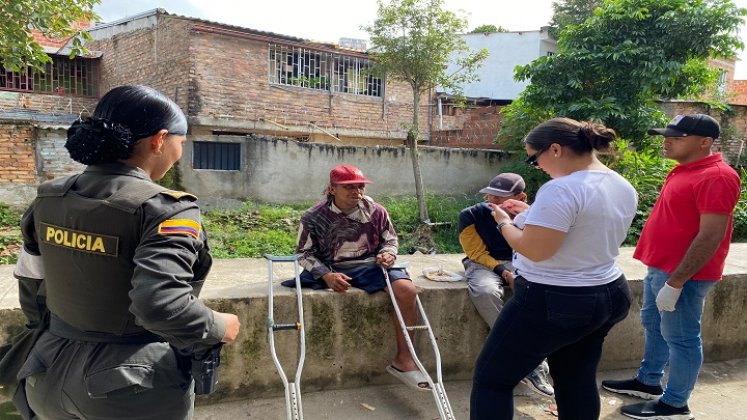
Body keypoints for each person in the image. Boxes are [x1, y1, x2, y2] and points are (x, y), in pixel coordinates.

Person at [11, 85, 241, 420]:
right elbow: (161, 304)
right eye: (181, 141)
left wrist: (57, 337)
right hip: (127, 387)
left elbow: (30, 282)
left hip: (46, 373)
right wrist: (219, 325)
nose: (180, 150)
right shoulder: (165, 210)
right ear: (159, 140)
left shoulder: (50, 197)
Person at [470, 117, 638, 420]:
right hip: (608, 292)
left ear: (556, 149)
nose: (539, 166)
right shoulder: (619, 183)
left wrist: (505, 223)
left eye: (535, 159)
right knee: (576, 378)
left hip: (555, 298)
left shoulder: (560, 189)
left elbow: (535, 249)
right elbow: (583, 228)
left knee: (492, 380)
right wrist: (532, 213)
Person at [602, 114, 741, 420]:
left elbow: (711, 235)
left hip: (684, 277)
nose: (667, 141)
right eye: (667, 135)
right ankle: (648, 382)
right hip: (662, 268)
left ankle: (676, 404)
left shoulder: (718, 176)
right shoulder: (686, 170)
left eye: (677, 137)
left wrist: (677, 282)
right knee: (654, 325)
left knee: (682, 338)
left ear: (705, 142)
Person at [294, 164, 429, 391]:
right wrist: (326, 275)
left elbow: (390, 239)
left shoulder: (376, 211)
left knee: (407, 290)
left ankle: (404, 359)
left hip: (371, 265)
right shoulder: (313, 217)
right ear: (331, 189)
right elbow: (302, 253)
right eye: (348, 187)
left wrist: (388, 253)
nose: (356, 192)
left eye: (360, 186)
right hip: (333, 266)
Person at [458, 173, 554, 397]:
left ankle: (533, 365)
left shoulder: (534, 215)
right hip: (484, 263)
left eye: (502, 197)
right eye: (491, 194)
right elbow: (476, 253)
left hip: (523, 260)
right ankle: (531, 364)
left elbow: (536, 247)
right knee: (485, 291)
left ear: (521, 196)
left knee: (538, 295)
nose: (494, 199)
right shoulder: (470, 215)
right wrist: (503, 271)